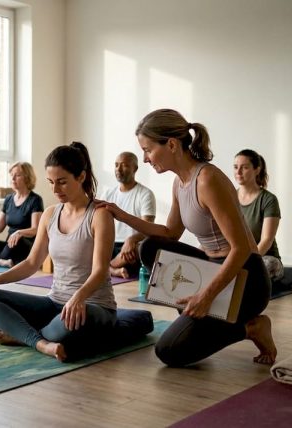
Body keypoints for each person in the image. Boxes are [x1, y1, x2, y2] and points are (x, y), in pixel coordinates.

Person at [97, 109, 277, 367]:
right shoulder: (180, 183)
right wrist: (122, 215)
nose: (146, 159)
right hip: (212, 266)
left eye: (148, 150)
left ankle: (252, 327)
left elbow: (240, 249)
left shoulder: (207, 180)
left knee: (169, 351)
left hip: (247, 278)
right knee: (150, 248)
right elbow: (170, 233)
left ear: (171, 144)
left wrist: (206, 296)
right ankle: (195, 314)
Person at [0, 142, 153, 362]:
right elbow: (32, 263)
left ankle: (25, 336)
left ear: (81, 177)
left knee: (67, 322)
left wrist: (78, 298)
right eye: (51, 183)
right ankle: (40, 343)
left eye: (62, 182)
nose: (55, 190)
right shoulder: (50, 214)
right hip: (54, 302)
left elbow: (100, 271)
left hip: (93, 306)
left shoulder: (99, 215)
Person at [101, 152, 156, 278]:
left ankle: (105, 268)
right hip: (109, 245)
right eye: (116, 165)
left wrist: (131, 239)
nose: (118, 169)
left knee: (142, 247)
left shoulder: (145, 194)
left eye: (124, 165)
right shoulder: (108, 194)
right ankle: (113, 270)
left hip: (130, 250)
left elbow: (149, 227)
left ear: (135, 168)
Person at [234, 149, 283, 280]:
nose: (238, 172)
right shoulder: (230, 197)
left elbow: (266, 241)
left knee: (269, 265)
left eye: (244, 167)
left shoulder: (269, 200)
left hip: (262, 257)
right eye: (235, 167)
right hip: (236, 254)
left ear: (257, 170)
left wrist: (245, 263)